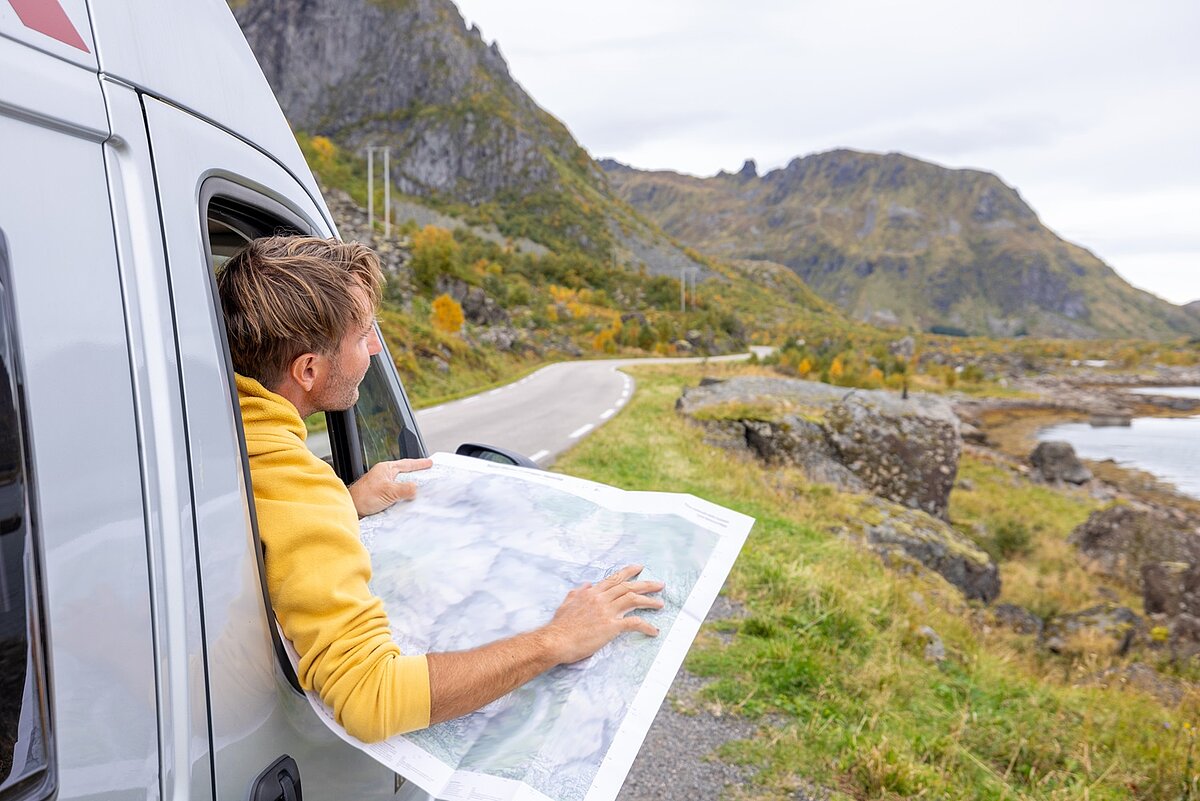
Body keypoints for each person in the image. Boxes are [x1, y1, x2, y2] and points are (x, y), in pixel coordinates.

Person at [217, 235, 664, 743]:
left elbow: (269, 522)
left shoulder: (210, 430)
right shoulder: (297, 484)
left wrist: (346, 501)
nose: (375, 347)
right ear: (309, 370)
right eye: (363, 334)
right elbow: (369, 698)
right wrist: (557, 639)